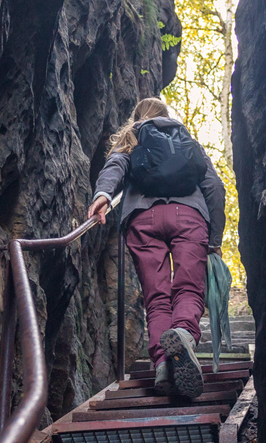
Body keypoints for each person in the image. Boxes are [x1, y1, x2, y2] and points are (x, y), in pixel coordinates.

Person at [87, 97, 225, 398]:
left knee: (156, 297)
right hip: (189, 216)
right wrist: (214, 240)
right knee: (188, 289)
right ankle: (185, 335)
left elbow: (115, 166)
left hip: (143, 218)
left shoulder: (133, 137)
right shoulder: (185, 139)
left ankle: (162, 362)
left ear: (137, 116)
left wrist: (103, 196)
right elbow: (213, 186)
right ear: (166, 115)